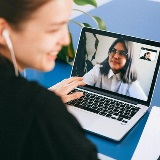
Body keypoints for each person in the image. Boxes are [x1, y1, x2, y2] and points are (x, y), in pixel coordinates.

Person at [0, 0, 99, 160]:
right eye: (53, 29)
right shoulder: (43, 112)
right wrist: (41, 106)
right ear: (2, 30)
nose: (66, 40)